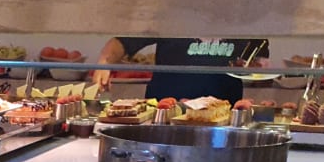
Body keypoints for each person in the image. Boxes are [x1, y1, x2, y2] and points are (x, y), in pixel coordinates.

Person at [88, 36, 268, 102]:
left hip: (223, 116)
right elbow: (123, 41)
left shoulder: (242, 17)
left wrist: (256, 67)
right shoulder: (173, 14)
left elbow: (257, 59)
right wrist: (105, 62)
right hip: (166, 113)